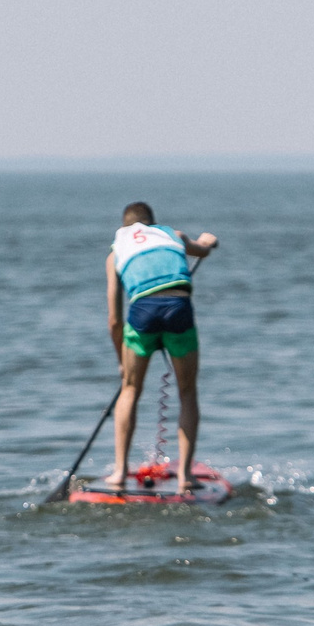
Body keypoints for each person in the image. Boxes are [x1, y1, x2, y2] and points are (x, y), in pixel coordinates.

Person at [104, 202, 219, 492]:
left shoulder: (116, 252)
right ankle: (185, 476)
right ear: (152, 224)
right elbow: (202, 249)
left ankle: (119, 471)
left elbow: (115, 320)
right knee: (187, 391)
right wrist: (207, 241)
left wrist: (122, 361)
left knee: (130, 389)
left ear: (124, 228)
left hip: (142, 312)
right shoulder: (173, 236)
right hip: (178, 308)